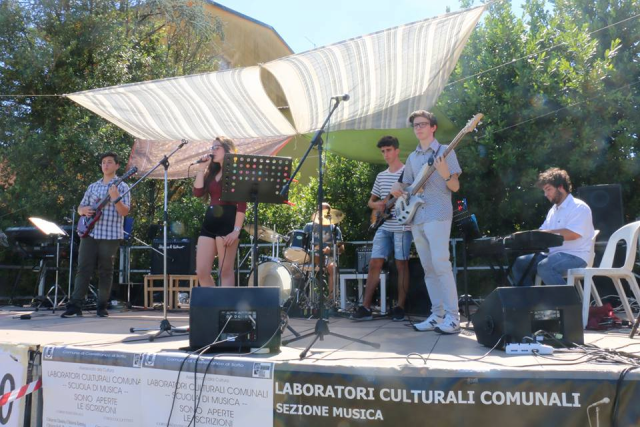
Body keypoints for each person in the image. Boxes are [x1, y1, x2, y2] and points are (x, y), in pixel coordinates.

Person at [391, 110, 462, 334]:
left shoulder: (445, 151)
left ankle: (453, 317)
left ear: (433, 127)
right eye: (415, 125)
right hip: (417, 216)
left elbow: (455, 187)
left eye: (423, 124)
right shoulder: (412, 158)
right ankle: (437, 315)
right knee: (428, 269)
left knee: (441, 264)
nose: (419, 128)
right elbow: (408, 186)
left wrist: (445, 173)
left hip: (438, 213)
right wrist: (398, 189)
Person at [62, 152, 131, 318]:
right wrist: (83, 210)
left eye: (109, 162)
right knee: (83, 268)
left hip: (110, 235)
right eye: (103, 162)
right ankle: (75, 305)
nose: (105, 165)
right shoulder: (93, 186)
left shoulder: (122, 187)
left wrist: (116, 198)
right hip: (89, 232)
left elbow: (124, 212)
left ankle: (102, 306)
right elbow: (81, 207)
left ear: (117, 166)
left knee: (105, 271)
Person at [352, 136, 412, 321]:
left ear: (397, 151)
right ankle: (365, 307)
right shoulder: (381, 176)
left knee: (402, 265)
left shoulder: (407, 172)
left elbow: (414, 196)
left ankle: (400, 307)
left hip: (402, 225)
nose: (386, 154)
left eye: (389, 150)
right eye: (383, 151)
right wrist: (378, 205)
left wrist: (401, 197)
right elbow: (371, 202)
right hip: (383, 225)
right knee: (374, 263)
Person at [512, 168, 595, 286]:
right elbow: (542, 231)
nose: (546, 194)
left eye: (548, 189)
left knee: (545, 267)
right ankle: (529, 298)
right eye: (544, 191)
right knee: (520, 264)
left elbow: (573, 234)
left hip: (575, 255)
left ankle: (567, 298)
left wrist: (545, 233)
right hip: (552, 255)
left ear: (560, 187)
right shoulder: (553, 210)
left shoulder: (579, 207)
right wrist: (524, 235)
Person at [193, 137, 246, 287]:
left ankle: (226, 302)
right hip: (210, 222)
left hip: (228, 222)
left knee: (225, 271)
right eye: (212, 148)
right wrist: (201, 168)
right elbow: (197, 192)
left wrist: (236, 230)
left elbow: (242, 205)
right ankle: (215, 300)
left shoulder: (236, 173)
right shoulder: (212, 172)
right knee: (202, 272)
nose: (213, 151)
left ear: (227, 150)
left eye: (217, 147)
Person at [303, 203, 344, 301]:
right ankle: (302, 297)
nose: (320, 213)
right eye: (319, 210)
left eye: (323, 211)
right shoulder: (309, 226)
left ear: (329, 213)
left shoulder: (334, 228)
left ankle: (332, 299)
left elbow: (342, 248)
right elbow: (303, 244)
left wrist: (331, 250)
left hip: (328, 257)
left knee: (332, 267)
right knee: (300, 268)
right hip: (312, 256)